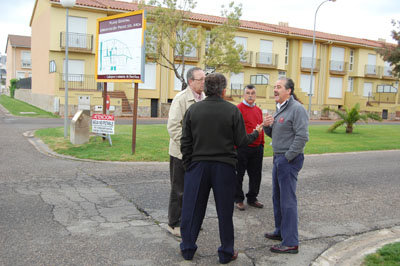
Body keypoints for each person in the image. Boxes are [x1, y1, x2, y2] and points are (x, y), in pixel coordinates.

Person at [180, 73, 263, 264]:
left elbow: (186, 142)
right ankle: (226, 252)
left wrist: (189, 165)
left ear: (206, 89)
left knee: (192, 209)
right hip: (224, 168)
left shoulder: (193, 110)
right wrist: (255, 133)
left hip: (198, 166)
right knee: (224, 212)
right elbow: (241, 141)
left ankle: (187, 248)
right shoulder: (232, 111)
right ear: (223, 90)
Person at [262, 77, 309, 254]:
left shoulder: (297, 109)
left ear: (288, 91)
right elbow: (274, 135)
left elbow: (302, 136)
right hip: (278, 158)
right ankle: (281, 231)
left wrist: (288, 157)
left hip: (288, 160)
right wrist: (267, 126)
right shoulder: (279, 108)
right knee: (277, 197)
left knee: (288, 201)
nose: (275, 89)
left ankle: (291, 242)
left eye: (279, 87)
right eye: (274, 86)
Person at [166, 67, 206, 237]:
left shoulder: (205, 99)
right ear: (191, 81)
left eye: (205, 78)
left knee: (194, 190)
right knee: (179, 190)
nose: (204, 82)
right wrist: (188, 147)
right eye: (200, 79)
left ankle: (189, 221)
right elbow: (173, 127)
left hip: (198, 154)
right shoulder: (181, 99)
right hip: (181, 154)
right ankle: (174, 223)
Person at [235, 84, 265, 211]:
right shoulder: (238, 109)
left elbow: (261, 128)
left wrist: (262, 143)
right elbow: (234, 130)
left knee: (256, 175)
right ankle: (238, 199)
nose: (251, 95)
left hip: (257, 148)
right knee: (238, 175)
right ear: (244, 94)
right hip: (242, 148)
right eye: (248, 93)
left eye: (253, 93)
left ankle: (252, 198)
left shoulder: (258, 110)